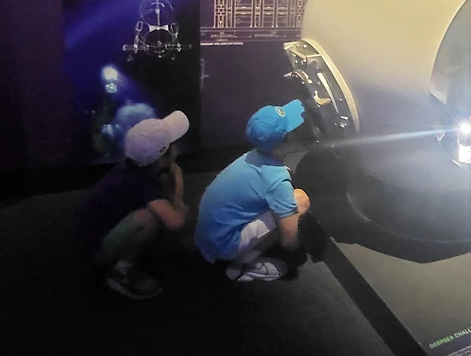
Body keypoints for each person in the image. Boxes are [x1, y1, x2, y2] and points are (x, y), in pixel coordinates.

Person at [75, 112, 191, 299]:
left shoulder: (134, 167)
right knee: (151, 218)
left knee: (154, 212)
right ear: (162, 158)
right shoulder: (143, 184)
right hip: (94, 247)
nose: (176, 146)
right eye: (173, 144)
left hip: (91, 231)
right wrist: (178, 187)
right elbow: (176, 222)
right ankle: (119, 273)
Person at [195, 100, 312, 282]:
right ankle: (244, 263)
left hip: (206, 236)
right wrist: (295, 251)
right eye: (293, 131)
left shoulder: (251, 157)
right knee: (300, 201)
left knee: (282, 204)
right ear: (280, 147)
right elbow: (289, 240)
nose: (299, 131)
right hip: (224, 246)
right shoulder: (276, 180)